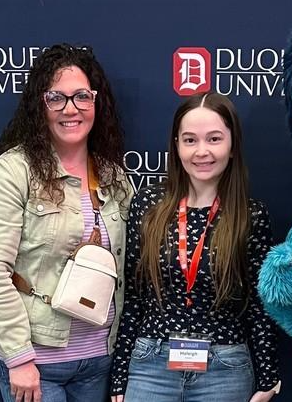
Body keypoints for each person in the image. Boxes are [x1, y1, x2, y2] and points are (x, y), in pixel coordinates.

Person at [0, 44, 132, 402]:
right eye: (56, 97)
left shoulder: (114, 177)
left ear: (95, 102)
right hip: (35, 362)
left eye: (81, 97)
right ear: (39, 105)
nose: (70, 109)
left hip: (99, 359)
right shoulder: (12, 173)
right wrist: (19, 357)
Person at [109, 92, 280, 402]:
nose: (202, 151)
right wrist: (119, 378)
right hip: (151, 364)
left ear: (231, 146)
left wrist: (268, 378)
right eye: (190, 140)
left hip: (224, 367)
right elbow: (133, 297)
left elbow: (258, 304)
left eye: (214, 139)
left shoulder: (250, 215)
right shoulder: (148, 205)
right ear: (176, 145)